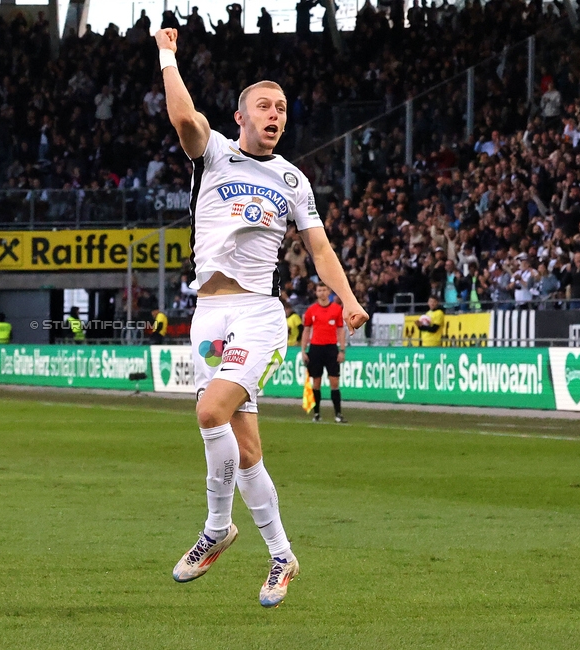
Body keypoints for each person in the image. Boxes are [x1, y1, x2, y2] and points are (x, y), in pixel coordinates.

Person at [156, 28, 368, 608]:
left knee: (209, 410)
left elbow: (319, 249)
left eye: (281, 108)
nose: (275, 115)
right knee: (245, 449)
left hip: (257, 314)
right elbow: (182, 117)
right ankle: (281, 556)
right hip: (208, 315)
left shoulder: (293, 180)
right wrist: (166, 53)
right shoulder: (216, 152)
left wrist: (347, 297)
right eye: (264, 106)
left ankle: (217, 527)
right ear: (240, 116)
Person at [300, 282, 347, 423]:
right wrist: (303, 350)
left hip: (331, 348)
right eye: (319, 290)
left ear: (329, 292)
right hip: (315, 348)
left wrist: (342, 350)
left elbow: (340, 330)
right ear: (316, 292)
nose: (321, 292)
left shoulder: (337, 309)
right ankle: (317, 414)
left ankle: (338, 414)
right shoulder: (311, 310)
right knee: (316, 382)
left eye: (324, 290)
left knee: (334, 381)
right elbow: (307, 330)